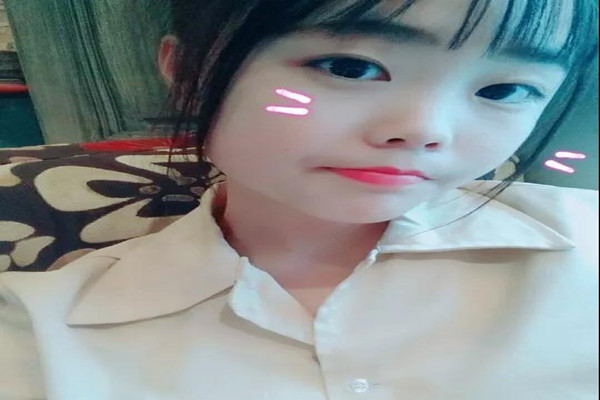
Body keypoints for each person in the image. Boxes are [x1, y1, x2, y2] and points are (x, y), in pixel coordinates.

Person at [1, 0, 598, 398]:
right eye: (350, 67)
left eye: (506, 90)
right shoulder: (33, 332)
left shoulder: (586, 248)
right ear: (188, 72)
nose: (425, 130)